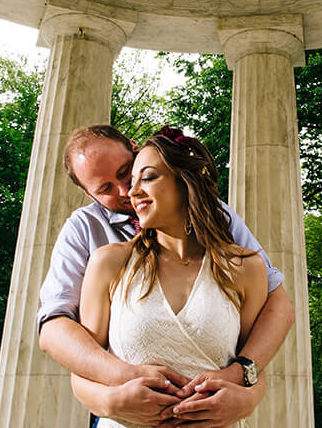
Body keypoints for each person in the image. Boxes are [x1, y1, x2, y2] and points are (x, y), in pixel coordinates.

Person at [37, 125, 295, 427]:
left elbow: (277, 308)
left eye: (127, 173)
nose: (126, 192)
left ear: (135, 150)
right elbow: (54, 327)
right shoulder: (92, 240)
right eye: (105, 189)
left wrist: (247, 395)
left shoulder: (219, 223)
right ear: (86, 193)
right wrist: (115, 393)